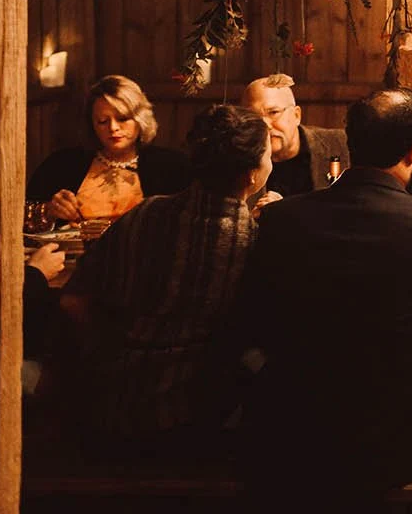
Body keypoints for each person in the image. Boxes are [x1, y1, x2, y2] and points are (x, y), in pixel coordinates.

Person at [235, 88, 412, 500]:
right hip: (402, 440)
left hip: (293, 432)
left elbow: (250, 322)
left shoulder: (283, 219)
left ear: (351, 144)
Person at [55, 105, 270, 450]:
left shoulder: (146, 213)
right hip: (195, 421)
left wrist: (103, 357)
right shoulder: (253, 241)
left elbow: (72, 300)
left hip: (111, 405)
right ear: (252, 175)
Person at [28, 75, 189, 223]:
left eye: (122, 118)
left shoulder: (172, 166)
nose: (113, 128)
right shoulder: (62, 163)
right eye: (103, 121)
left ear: (140, 119)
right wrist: (48, 210)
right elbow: (21, 217)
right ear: (92, 125)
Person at [241, 73, 350, 200]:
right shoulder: (240, 160)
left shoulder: (340, 145)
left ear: (296, 115)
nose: (265, 124)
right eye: (254, 117)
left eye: (273, 112)